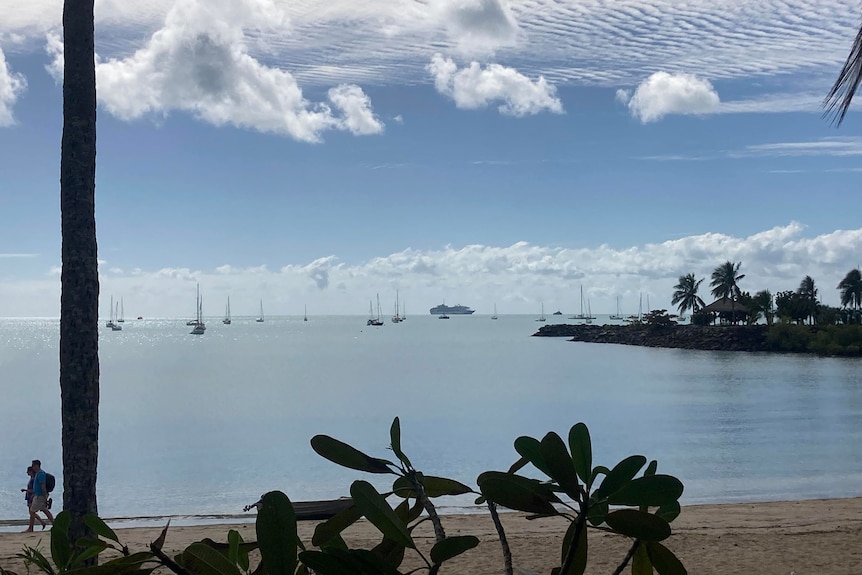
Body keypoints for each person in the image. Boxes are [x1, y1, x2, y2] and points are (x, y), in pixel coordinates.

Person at [24, 460, 54, 532]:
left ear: (37, 465)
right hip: (37, 495)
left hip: (40, 496)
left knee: (32, 511)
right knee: (44, 510)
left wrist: (44, 495)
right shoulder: (38, 474)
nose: (33, 467)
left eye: (33, 465)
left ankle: (31, 528)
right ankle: (55, 525)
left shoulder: (41, 474)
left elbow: (42, 485)